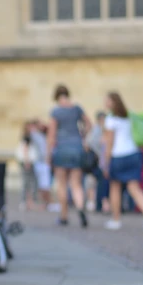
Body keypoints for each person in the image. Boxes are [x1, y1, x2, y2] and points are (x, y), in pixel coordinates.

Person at [101, 91, 143, 231]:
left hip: (118, 156)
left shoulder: (111, 119)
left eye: (107, 100)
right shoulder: (130, 117)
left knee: (115, 187)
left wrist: (106, 163)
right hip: (133, 154)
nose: (105, 103)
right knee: (134, 187)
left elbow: (110, 143)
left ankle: (116, 219)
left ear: (112, 102)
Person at [48, 84, 91, 227]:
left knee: (62, 184)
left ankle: (64, 216)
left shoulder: (56, 112)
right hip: (77, 147)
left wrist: (48, 154)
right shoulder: (77, 109)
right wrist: (83, 137)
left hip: (62, 148)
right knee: (76, 184)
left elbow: (52, 135)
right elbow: (89, 124)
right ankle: (80, 207)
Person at [28, 120, 53, 211]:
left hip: (43, 162)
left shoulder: (42, 136)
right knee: (43, 184)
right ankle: (46, 203)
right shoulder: (36, 135)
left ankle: (47, 203)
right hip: (41, 162)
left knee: (44, 184)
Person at [85, 111, 108, 212]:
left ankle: (95, 203)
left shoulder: (101, 130)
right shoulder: (98, 130)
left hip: (98, 161)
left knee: (96, 182)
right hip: (97, 161)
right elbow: (91, 144)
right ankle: (96, 203)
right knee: (97, 182)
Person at [15, 122, 39, 211]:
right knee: (29, 182)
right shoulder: (27, 137)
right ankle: (26, 201)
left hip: (27, 162)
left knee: (29, 182)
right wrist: (27, 161)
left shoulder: (29, 136)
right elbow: (25, 149)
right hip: (27, 162)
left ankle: (28, 201)